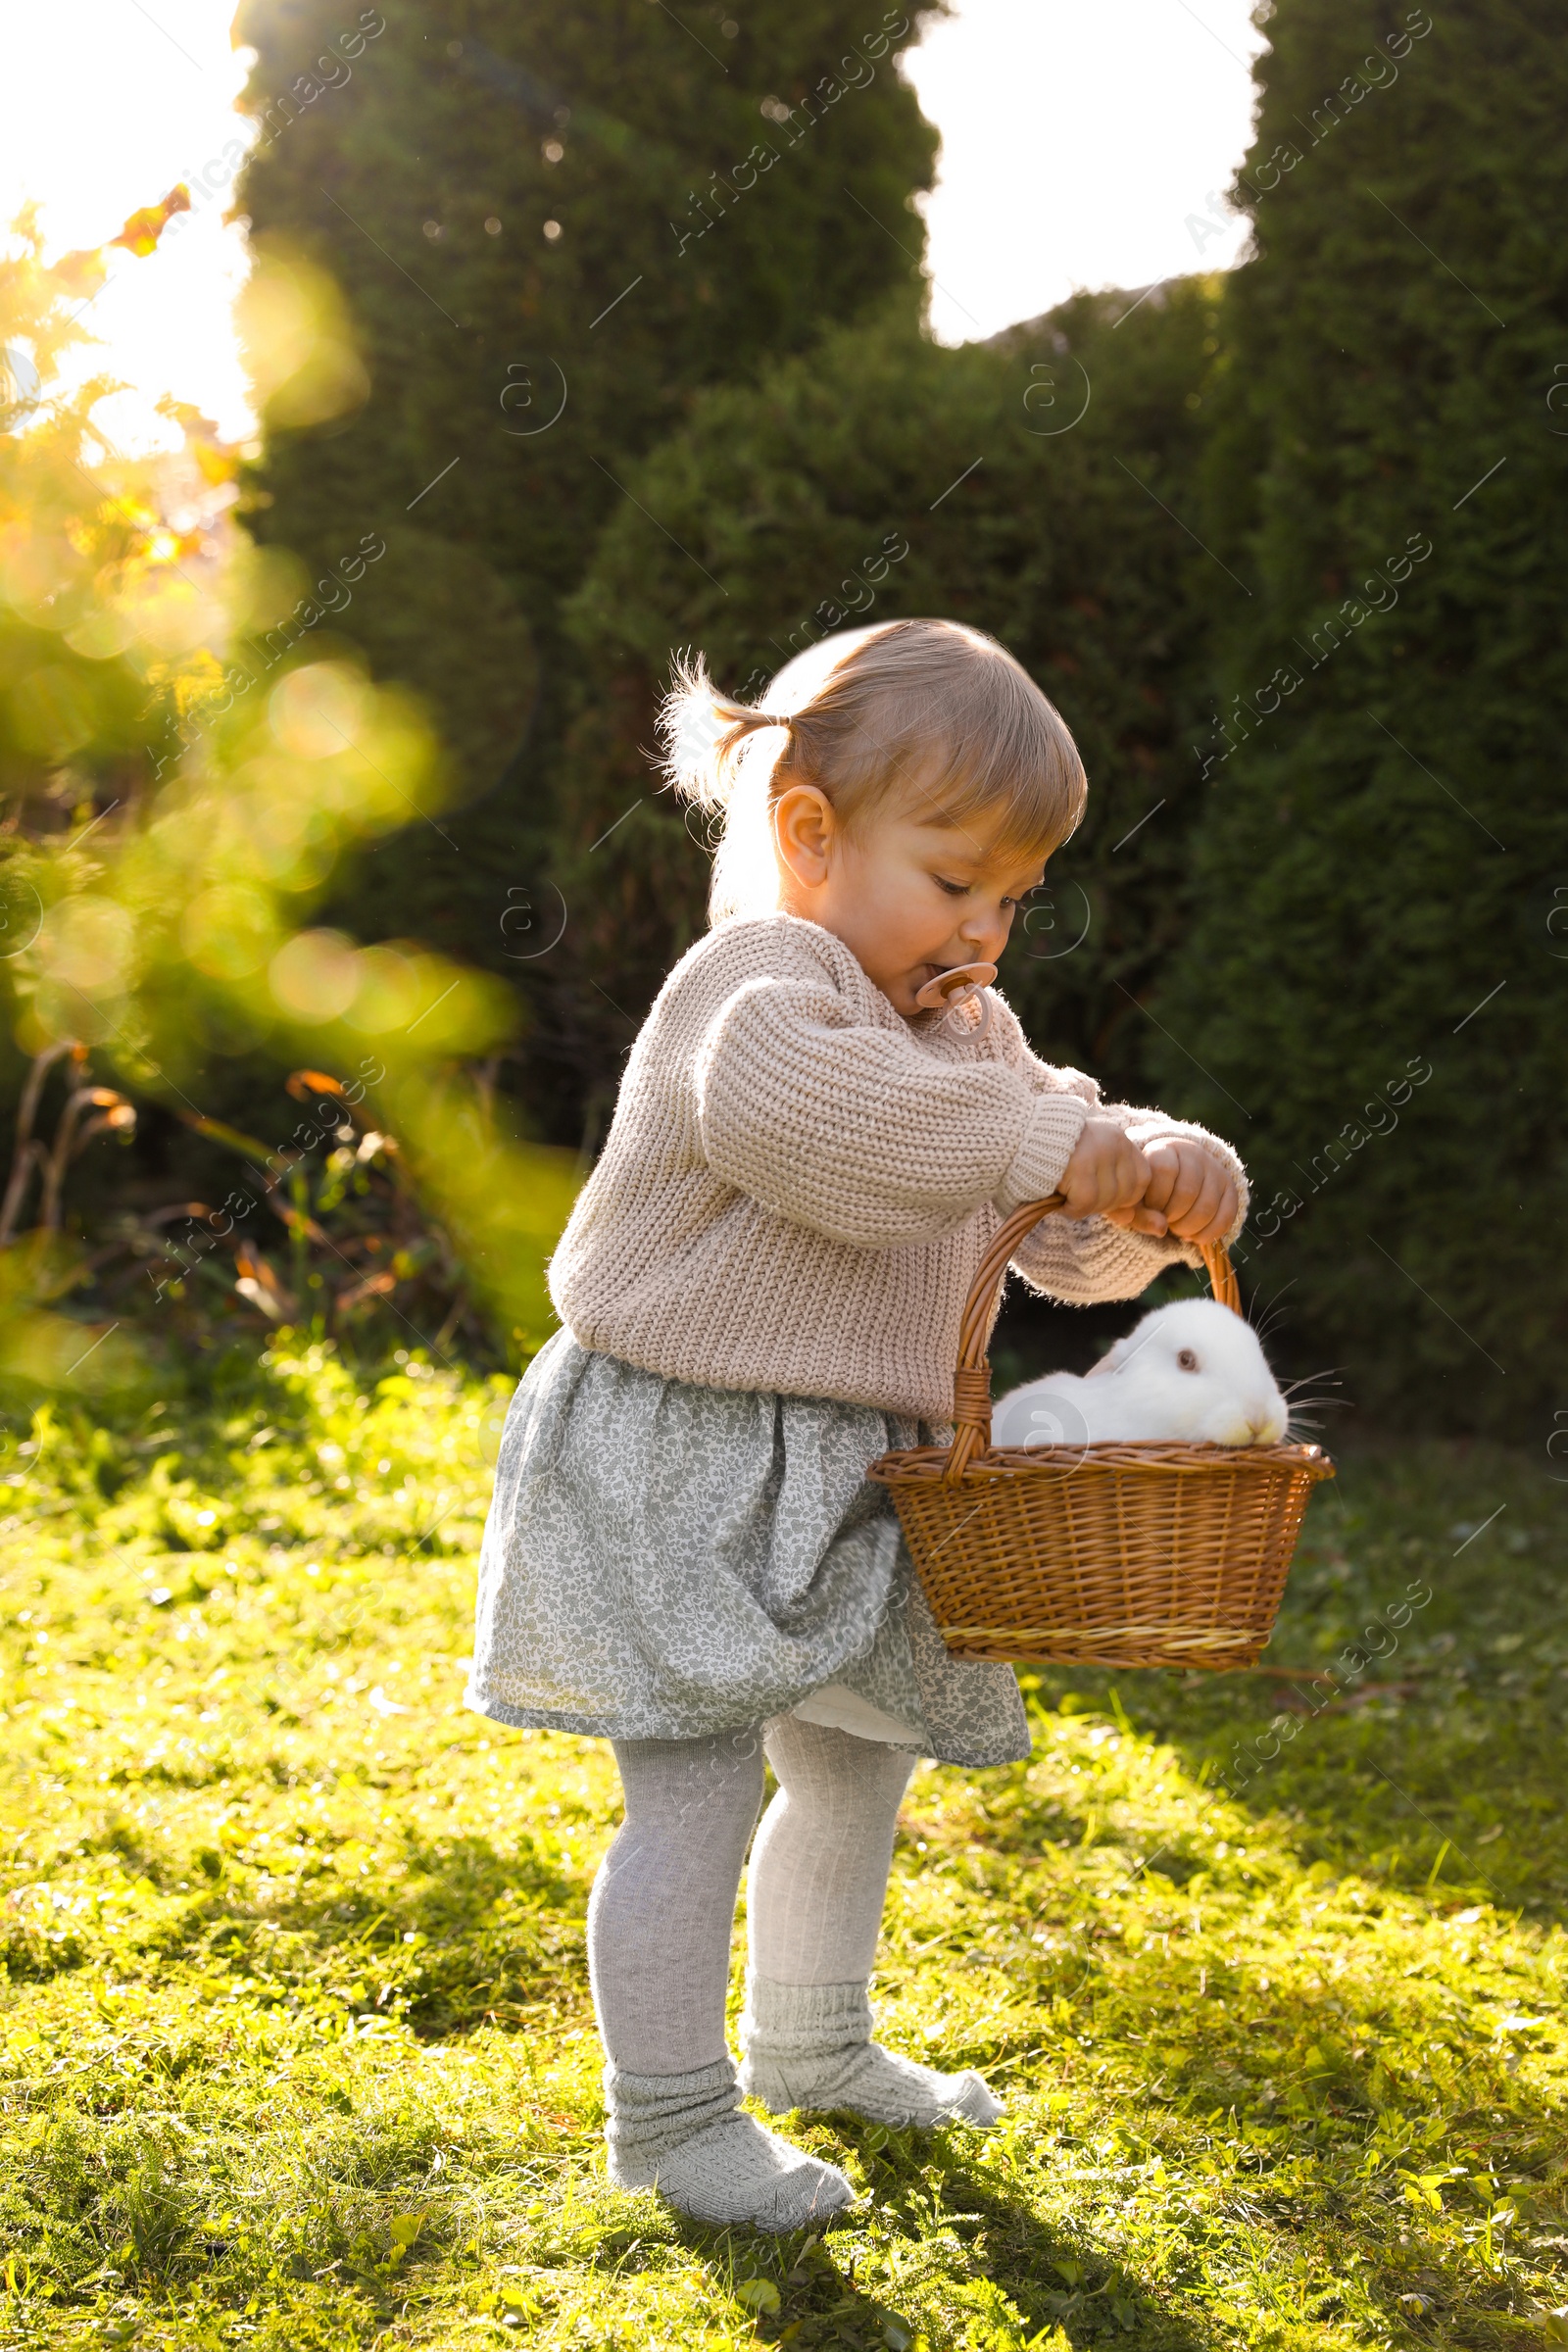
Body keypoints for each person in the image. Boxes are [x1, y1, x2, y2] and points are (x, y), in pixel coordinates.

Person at [467, 619, 1245, 2230]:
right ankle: (671, 2120)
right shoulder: (760, 983)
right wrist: (1043, 1134)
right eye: (956, 881)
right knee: (692, 1787)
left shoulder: (971, 1035)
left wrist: (1153, 1186)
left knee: (850, 1769)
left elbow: (1048, 1229)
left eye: (1015, 897)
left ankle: (813, 2043)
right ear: (811, 836)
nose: (987, 929)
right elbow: (828, 1133)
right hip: (678, 1444)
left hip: (857, 1471)